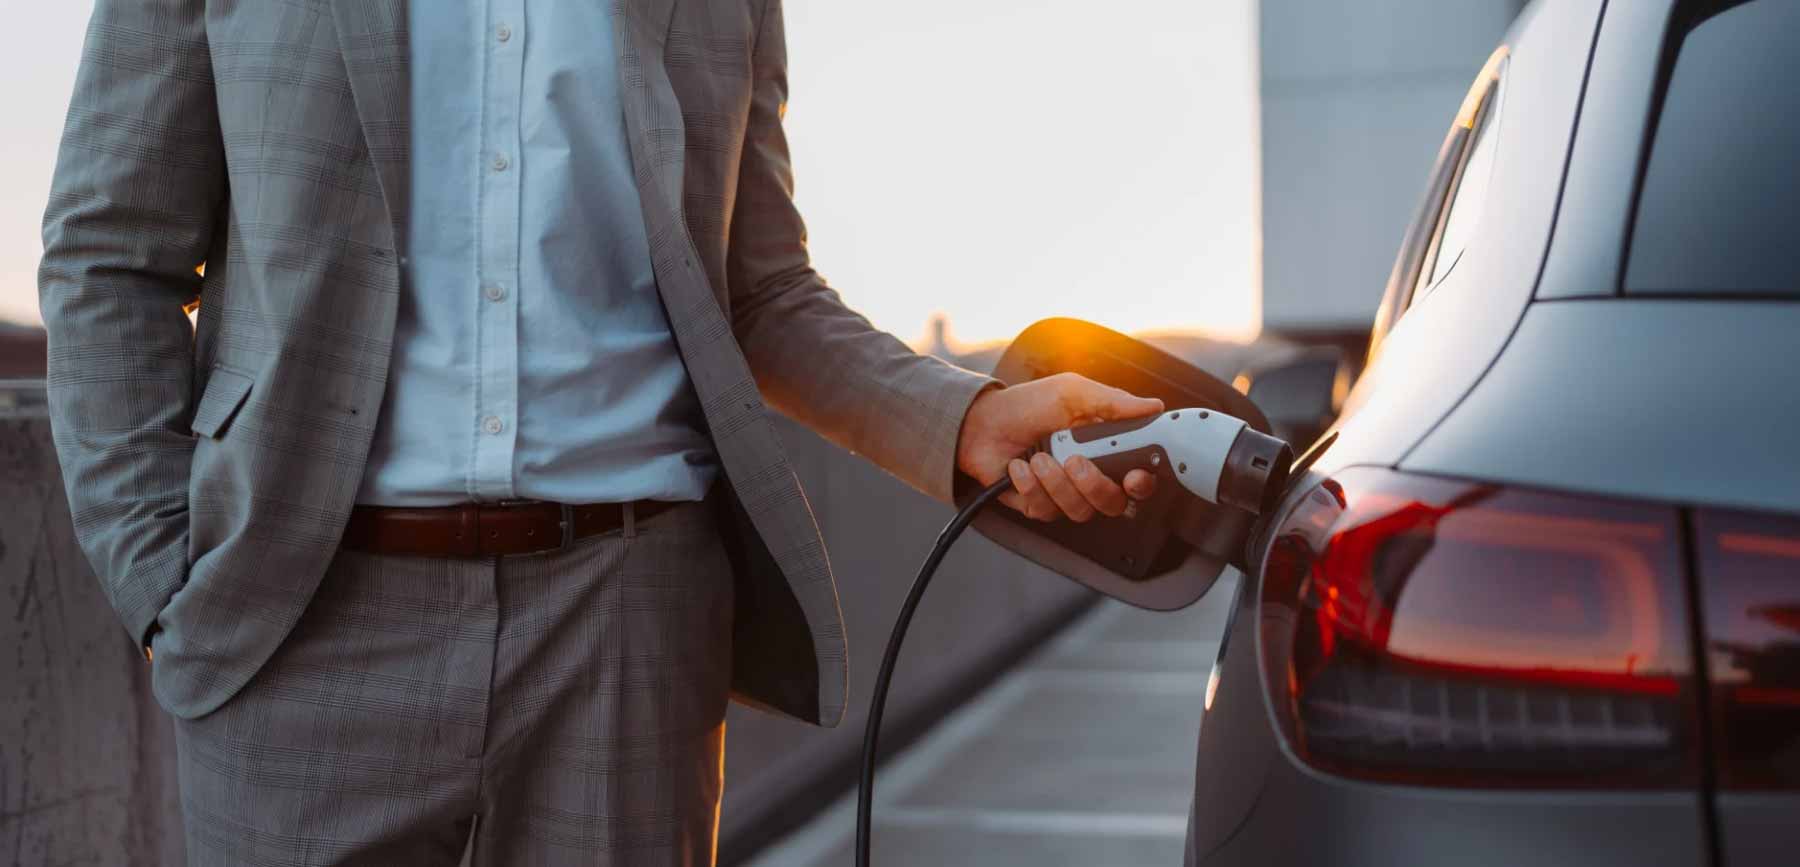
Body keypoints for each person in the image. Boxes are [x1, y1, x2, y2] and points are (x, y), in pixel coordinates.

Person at [39, 1, 1160, 864]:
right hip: (301, 625)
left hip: (624, 626)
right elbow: (109, 252)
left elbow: (756, 289)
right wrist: (158, 576)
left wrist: (962, 415)